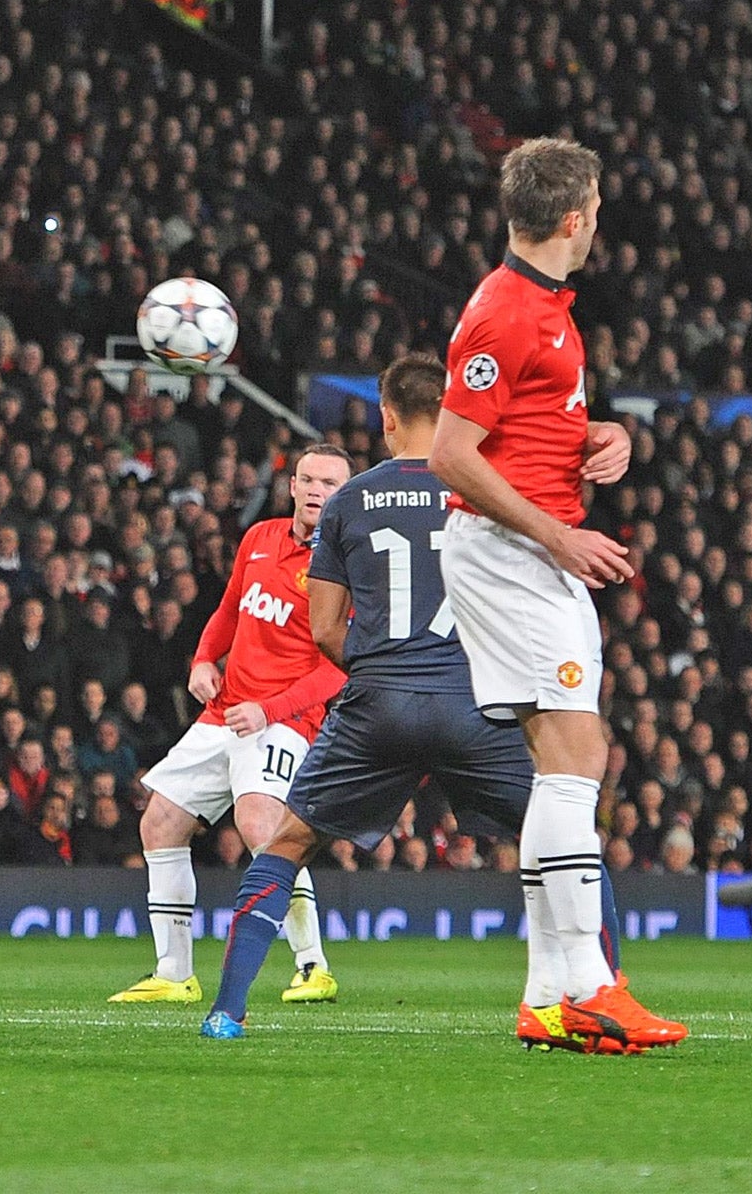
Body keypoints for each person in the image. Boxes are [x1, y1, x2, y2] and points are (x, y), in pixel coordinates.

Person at [200, 355, 630, 1042]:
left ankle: (226, 1011)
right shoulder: (492, 492)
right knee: (568, 839)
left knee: (285, 844)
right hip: (476, 706)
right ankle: (603, 999)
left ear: (387, 417)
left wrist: (382, 667)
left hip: (379, 705)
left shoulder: (347, 500)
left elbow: (325, 630)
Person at [427, 138, 685, 1055]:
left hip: (518, 546)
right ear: (574, 215)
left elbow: (518, 432)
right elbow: (451, 457)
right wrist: (558, 533)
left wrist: (593, 438)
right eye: (600, 205)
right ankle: (589, 983)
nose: (601, 219)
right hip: (513, 554)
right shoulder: (505, 313)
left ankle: (546, 996)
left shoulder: (539, 308)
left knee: (561, 760)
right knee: (580, 749)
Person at [108, 445, 352, 1007]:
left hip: (285, 718)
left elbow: (339, 668)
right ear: (292, 485)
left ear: (348, 494)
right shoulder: (260, 538)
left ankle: (314, 964)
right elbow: (230, 608)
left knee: (262, 823)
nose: (317, 491)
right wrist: (201, 659)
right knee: (161, 820)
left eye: (331, 484)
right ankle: (174, 973)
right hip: (226, 711)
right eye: (309, 479)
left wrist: (271, 711)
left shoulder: (346, 564)